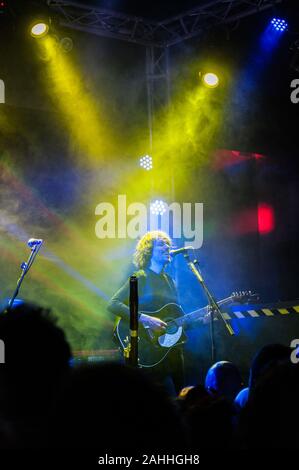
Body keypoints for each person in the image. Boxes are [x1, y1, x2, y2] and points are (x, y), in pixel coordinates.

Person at [107, 230, 185, 395]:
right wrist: (145, 319)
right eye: (161, 244)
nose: (167, 247)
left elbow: (175, 321)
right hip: (147, 350)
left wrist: (202, 320)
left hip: (171, 351)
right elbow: (113, 304)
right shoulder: (140, 276)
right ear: (148, 250)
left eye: (168, 244)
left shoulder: (170, 281)